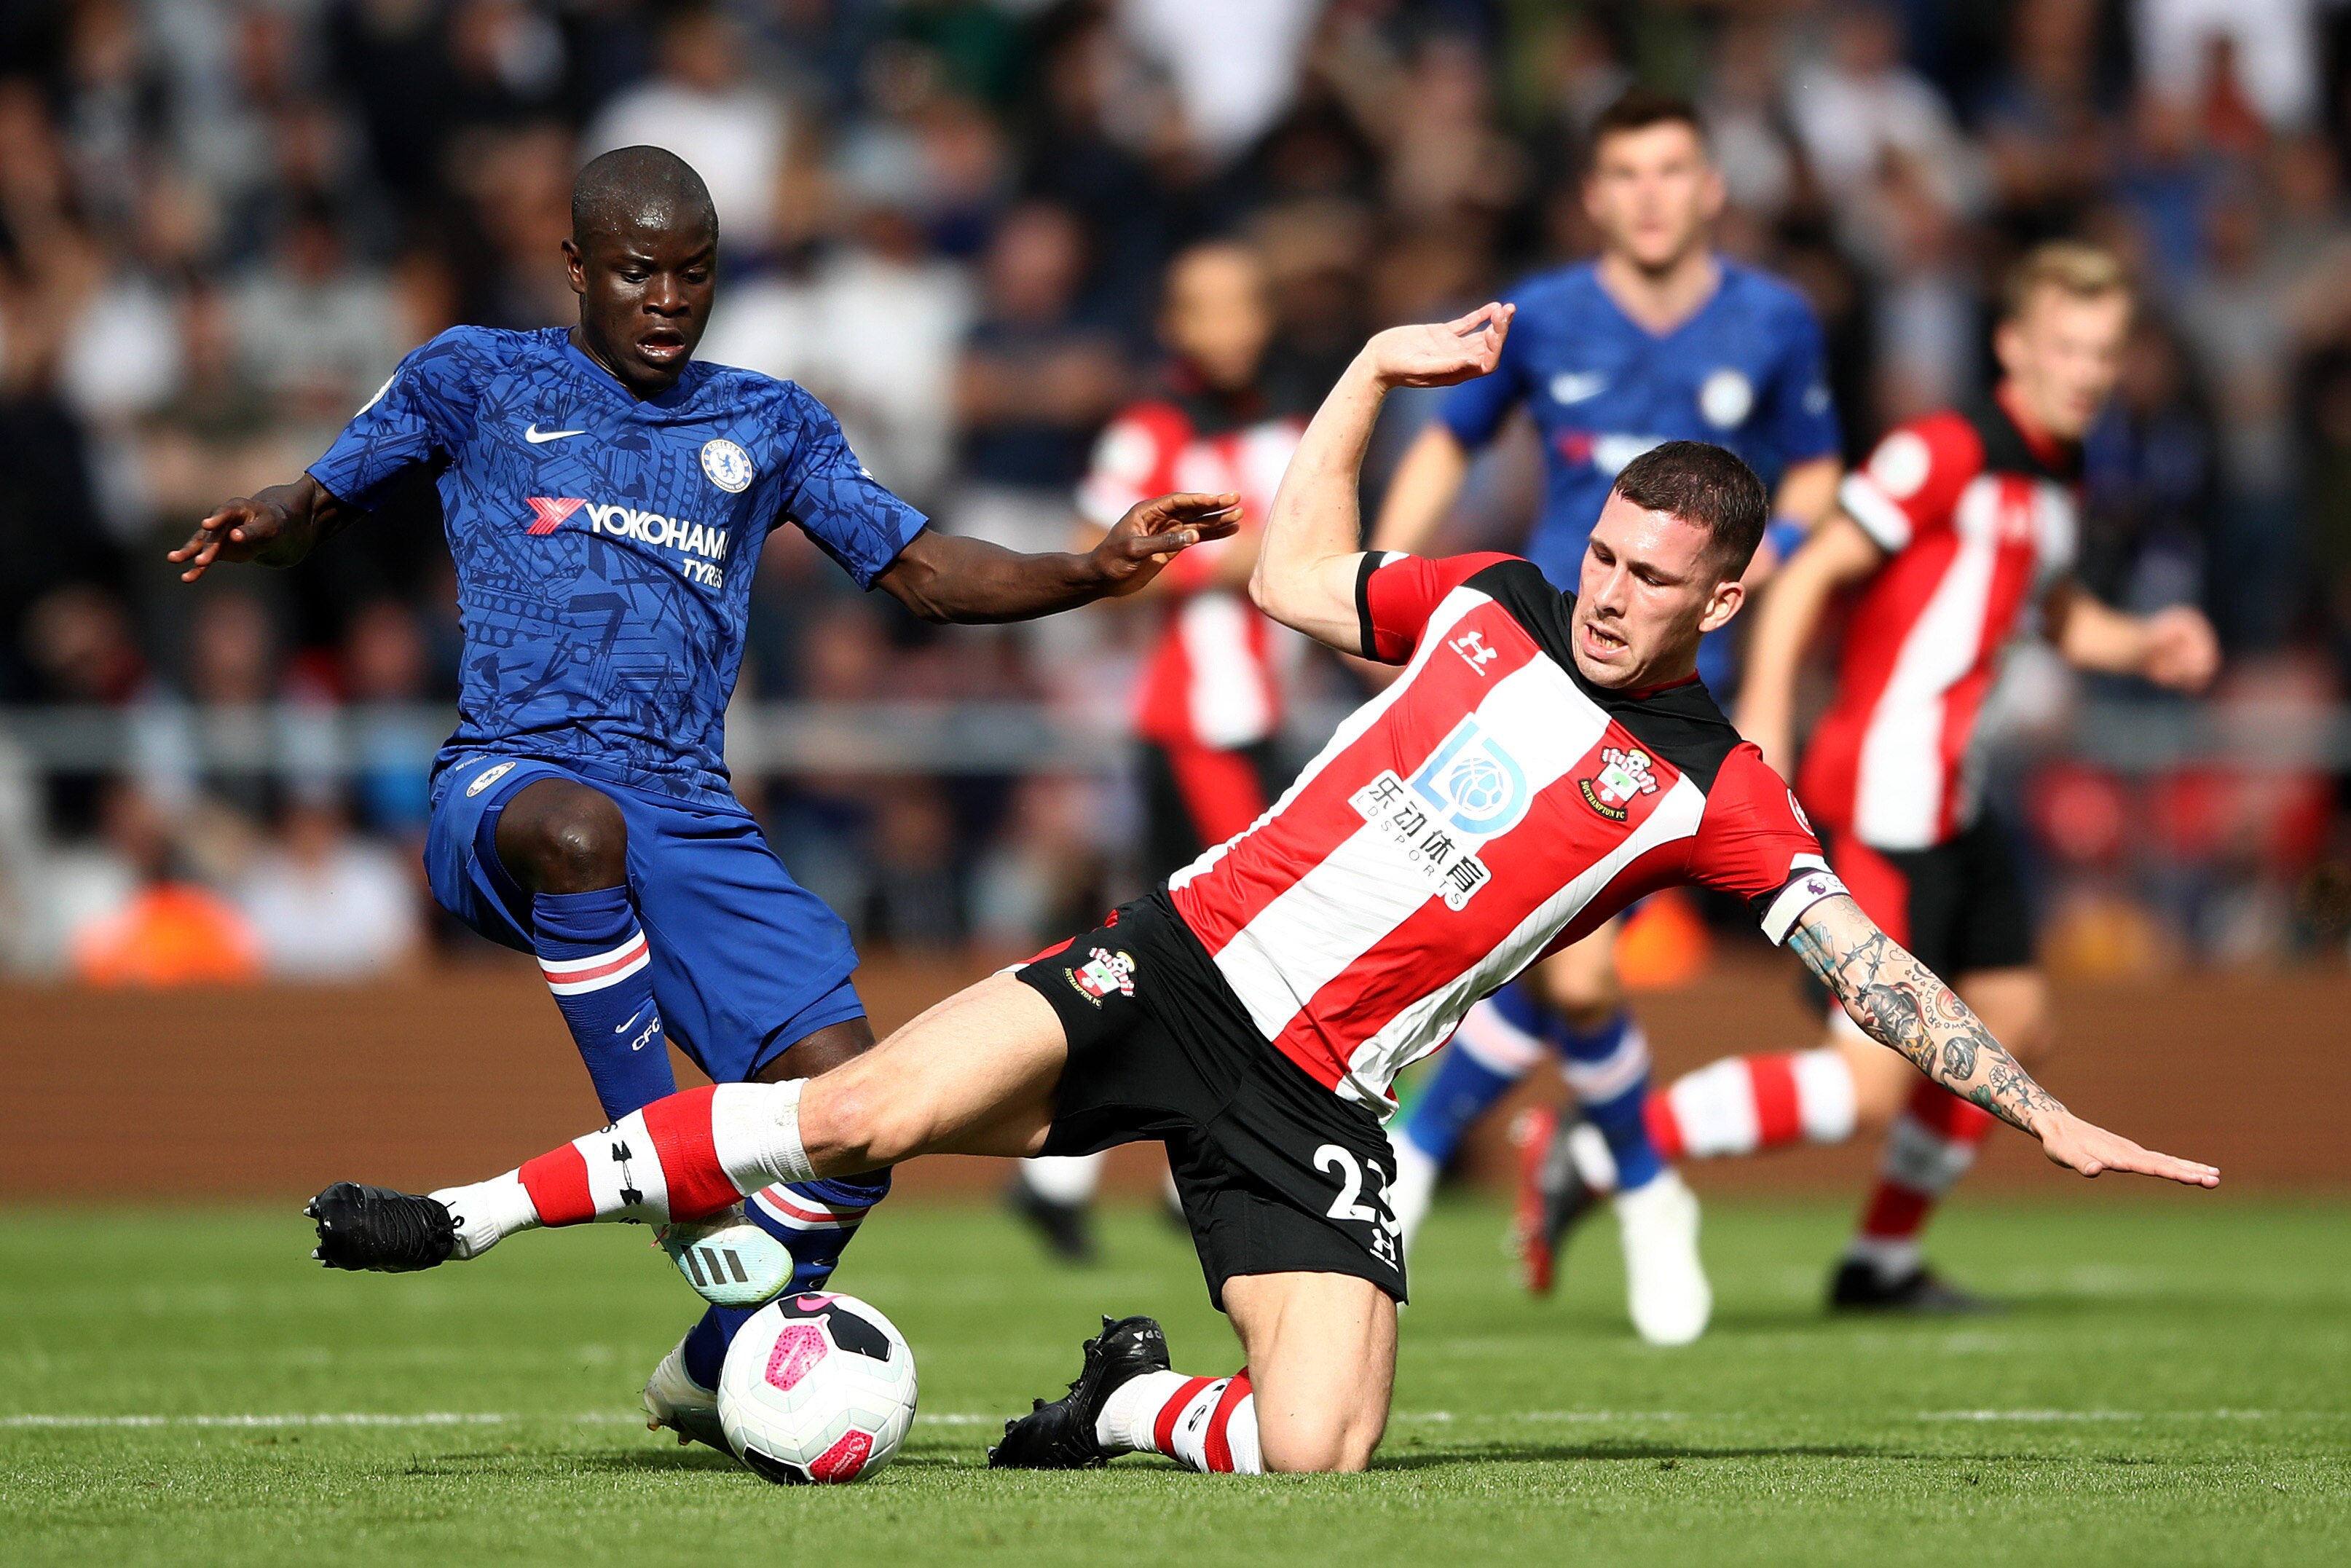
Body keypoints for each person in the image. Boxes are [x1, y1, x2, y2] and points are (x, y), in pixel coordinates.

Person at [301, 304, 2217, 1478]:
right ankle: (459, 1219)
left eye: (1655, 578)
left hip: (1321, 1097)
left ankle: (1113, 1406)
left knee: (1319, 1447)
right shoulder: (1491, 602)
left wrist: (2038, 1109)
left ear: (1726, 596)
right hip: (1178, 964)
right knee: (862, 1106)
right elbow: (1296, 577)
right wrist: (1369, 371)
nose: (1613, 591)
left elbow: (1864, 961)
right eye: (1608, 554)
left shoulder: (1715, 788)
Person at [168, 146, 1237, 1447]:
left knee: (856, 1115)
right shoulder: (476, 374)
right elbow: (317, 498)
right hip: (510, 780)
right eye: (638, 272)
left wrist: (1092, 569)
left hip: (690, 813)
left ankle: (713, 1361)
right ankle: (668, 1176)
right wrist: (268, 519)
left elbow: (925, 572)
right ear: (576, 267)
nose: (668, 299)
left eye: (694, 273)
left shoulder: (768, 422)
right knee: (582, 830)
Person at [1630, 241, 2221, 1310]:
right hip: (1887, 794)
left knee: (2019, 1026)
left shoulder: (2060, 471)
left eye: (2103, 351)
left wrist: (2146, 643)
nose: (2087, 373)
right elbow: (1810, 570)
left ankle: (1880, 1264)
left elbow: (2057, 616)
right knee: (1870, 1083)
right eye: (2066, 347)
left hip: (1960, 798)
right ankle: (1616, 1144)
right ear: (2012, 346)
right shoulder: (1944, 450)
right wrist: (1766, 714)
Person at [1369, 89, 1843, 1342]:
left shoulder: (1776, 319)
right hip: (1545, 661)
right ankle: (1629, 1185)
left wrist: (1775, 566)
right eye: (1625, 172)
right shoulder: (1545, 312)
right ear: (1593, 195)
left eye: (1671, 169)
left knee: (1564, 956)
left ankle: (1467, 1153)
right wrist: (1386, 577)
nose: (1649, 194)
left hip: (1687, 685)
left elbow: (1817, 471)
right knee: (1554, 952)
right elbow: (1451, 438)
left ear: (1712, 187)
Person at [1009, 239, 1308, 1261]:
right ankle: (1176, 1167)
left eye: (1243, 303)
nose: (1228, 327)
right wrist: (1238, 558)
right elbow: (1098, 561)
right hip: (1192, 727)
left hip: (1261, 721)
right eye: (1205, 307)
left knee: (1183, 951)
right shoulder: (1149, 431)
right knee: (1235, 948)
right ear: (1174, 324)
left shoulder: (1288, 428)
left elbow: (1317, 556)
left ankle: (1070, 1172)